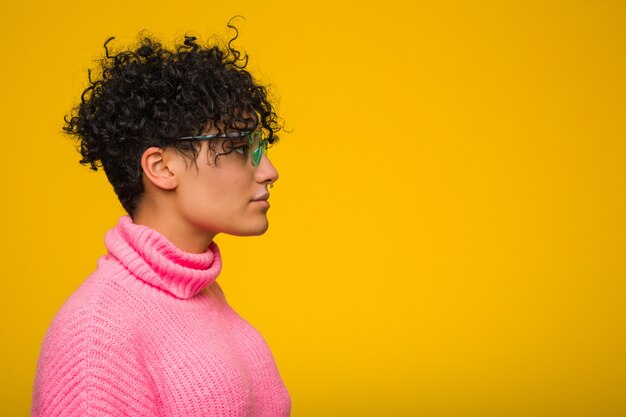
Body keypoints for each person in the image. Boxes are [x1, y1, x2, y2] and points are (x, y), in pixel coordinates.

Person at [32, 25, 291, 417]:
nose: (269, 171)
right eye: (239, 148)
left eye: (260, 148)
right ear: (161, 167)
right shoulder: (95, 335)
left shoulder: (206, 297)